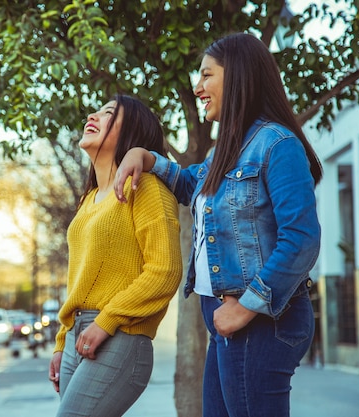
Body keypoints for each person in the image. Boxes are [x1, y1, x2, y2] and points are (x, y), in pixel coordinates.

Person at [113, 33, 322, 417]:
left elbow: (302, 238)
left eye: (207, 75)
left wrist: (245, 308)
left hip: (259, 322)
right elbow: (192, 184)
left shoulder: (277, 145)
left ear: (239, 77)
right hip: (228, 324)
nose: (197, 87)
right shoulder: (226, 151)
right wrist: (144, 157)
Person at [48, 95, 183, 417]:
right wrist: (61, 341)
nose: (92, 115)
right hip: (78, 335)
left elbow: (165, 271)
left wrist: (105, 322)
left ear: (132, 131)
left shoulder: (146, 188)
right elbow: (79, 280)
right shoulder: (90, 199)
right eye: (96, 110)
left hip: (120, 333)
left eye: (109, 113)